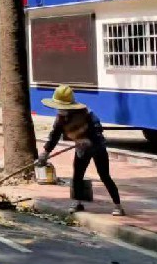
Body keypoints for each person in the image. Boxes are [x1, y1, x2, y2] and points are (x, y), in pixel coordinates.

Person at [37, 85, 124, 216]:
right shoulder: (60, 118)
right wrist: (45, 152)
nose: (60, 109)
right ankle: (78, 202)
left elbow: (98, 129)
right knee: (77, 175)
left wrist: (89, 140)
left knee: (104, 175)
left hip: (96, 146)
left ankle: (118, 205)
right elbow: (54, 135)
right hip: (80, 148)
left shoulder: (86, 113)